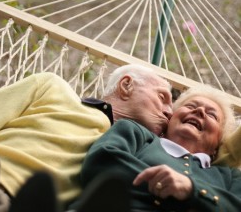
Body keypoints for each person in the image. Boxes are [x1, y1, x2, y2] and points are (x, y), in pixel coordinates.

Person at [0, 64, 173, 211]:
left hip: (21, 204)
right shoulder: (52, 88)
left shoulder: (131, 154)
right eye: (162, 96)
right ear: (126, 85)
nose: (169, 112)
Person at [77, 85, 241, 212]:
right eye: (191, 106)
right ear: (170, 119)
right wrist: (183, 199)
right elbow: (102, 162)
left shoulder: (229, 177)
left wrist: (192, 190)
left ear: (218, 142)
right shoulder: (136, 134)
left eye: (211, 115)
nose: (199, 111)